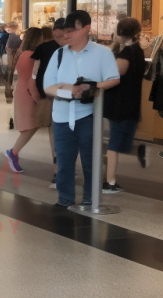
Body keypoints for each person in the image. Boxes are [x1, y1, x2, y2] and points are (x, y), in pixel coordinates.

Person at [44, 11, 120, 208]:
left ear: (86, 28)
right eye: (64, 32)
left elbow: (113, 79)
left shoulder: (102, 53)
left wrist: (92, 87)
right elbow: (48, 86)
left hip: (89, 115)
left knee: (91, 160)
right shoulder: (58, 54)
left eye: (71, 31)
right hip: (61, 116)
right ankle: (65, 199)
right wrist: (72, 93)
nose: (66, 36)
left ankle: (90, 197)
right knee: (64, 161)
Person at [103, 17, 147, 193]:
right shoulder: (137, 51)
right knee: (118, 140)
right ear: (137, 33)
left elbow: (114, 76)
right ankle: (110, 180)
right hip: (129, 102)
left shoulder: (125, 54)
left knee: (116, 141)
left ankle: (110, 181)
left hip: (119, 102)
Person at [31, 18, 66, 188]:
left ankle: (58, 169)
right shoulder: (73, 48)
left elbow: (35, 74)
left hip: (50, 95)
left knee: (55, 133)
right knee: (59, 132)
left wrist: (38, 94)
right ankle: (59, 168)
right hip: (64, 96)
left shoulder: (43, 48)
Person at [4, 27, 45, 172]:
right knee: (31, 125)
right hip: (28, 92)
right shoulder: (32, 55)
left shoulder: (23, 53)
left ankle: (14, 152)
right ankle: (13, 152)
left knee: (30, 125)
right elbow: (31, 78)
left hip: (23, 90)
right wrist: (36, 97)